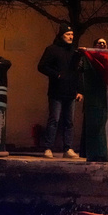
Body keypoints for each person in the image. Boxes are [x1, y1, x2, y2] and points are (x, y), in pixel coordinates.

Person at [37, 23, 83, 158]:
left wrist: (80, 90)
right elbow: (42, 66)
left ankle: (68, 148)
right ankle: (48, 147)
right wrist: (56, 74)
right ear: (61, 35)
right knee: (54, 119)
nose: (71, 37)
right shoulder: (52, 49)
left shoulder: (74, 52)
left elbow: (78, 72)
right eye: (68, 34)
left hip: (71, 92)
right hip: (56, 91)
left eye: (72, 35)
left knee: (69, 121)